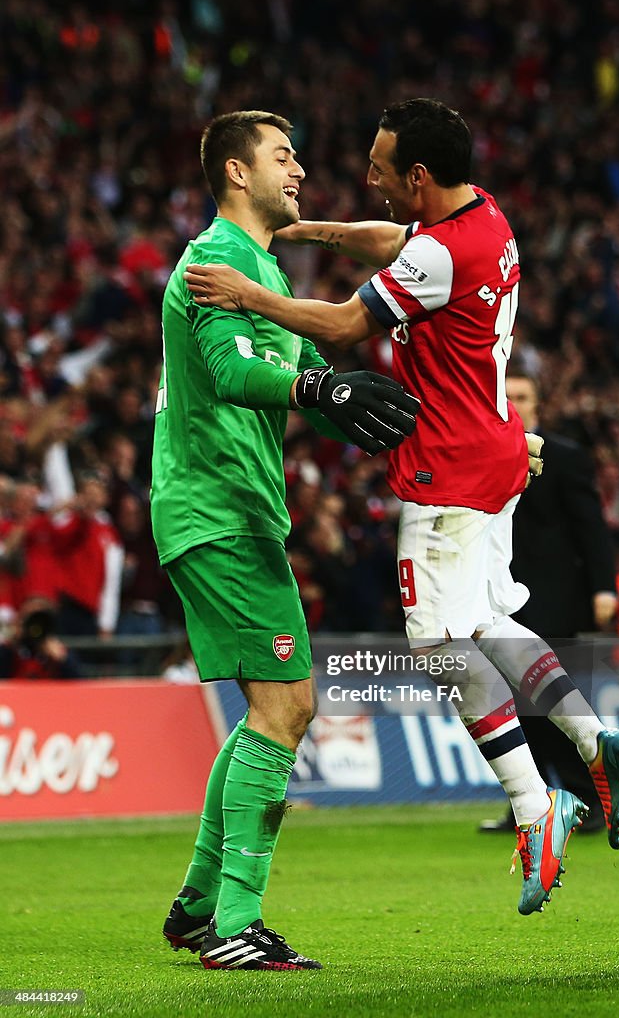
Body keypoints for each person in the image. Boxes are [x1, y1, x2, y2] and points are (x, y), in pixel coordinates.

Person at [184, 98, 619, 917]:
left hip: (450, 469)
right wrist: (305, 232)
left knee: (437, 644)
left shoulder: (436, 257)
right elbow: (387, 239)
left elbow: (338, 325)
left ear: (419, 176)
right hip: (501, 442)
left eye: (382, 169)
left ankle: (535, 810)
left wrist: (249, 295)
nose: (370, 180)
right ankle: (595, 740)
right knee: (492, 618)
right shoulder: (488, 220)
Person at [152, 110, 419, 971]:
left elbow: (290, 386)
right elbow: (234, 374)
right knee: (289, 706)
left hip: (232, 509)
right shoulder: (216, 260)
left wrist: (354, 408)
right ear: (237, 172)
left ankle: (199, 905)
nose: (298, 167)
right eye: (282, 154)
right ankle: (234, 925)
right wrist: (324, 388)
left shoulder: (258, 265)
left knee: (264, 711)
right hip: (216, 507)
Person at [479, 371, 618, 833]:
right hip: (500, 599)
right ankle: (532, 802)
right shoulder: (480, 450)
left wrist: (604, 588)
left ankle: (588, 799)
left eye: (523, 396)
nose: (515, 402)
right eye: (508, 395)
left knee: (549, 705)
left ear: (538, 405)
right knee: (517, 707)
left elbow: (591, 527)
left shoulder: (565, 456)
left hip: (556, 601)